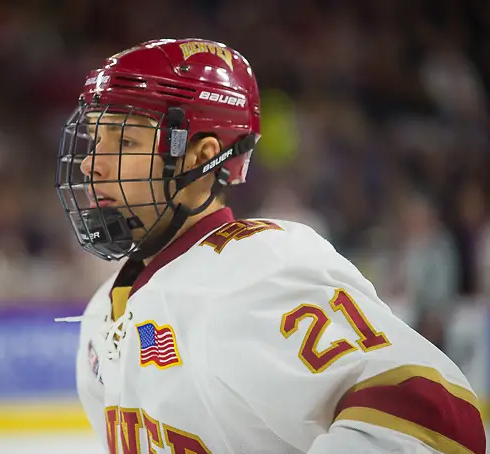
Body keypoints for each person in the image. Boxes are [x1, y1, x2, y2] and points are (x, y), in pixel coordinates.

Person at [54, 38, 485, 454]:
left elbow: (435, 418)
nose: (92, 162)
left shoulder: (258, 271)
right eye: (95, 139)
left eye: (124, 141)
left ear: (199, 157)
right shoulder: (99, 316)